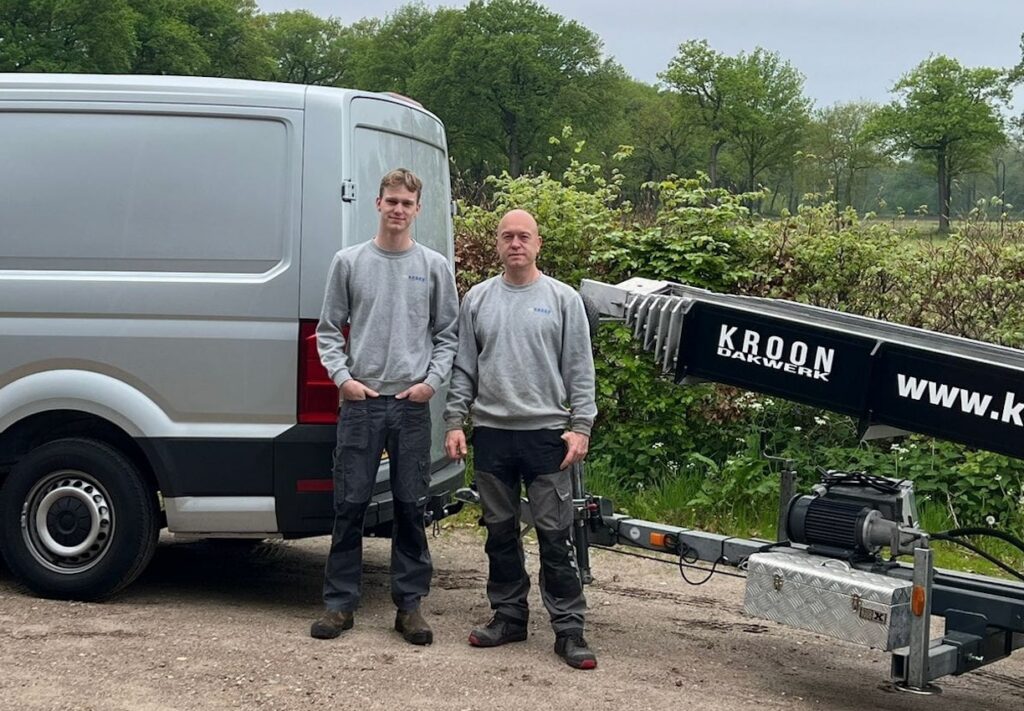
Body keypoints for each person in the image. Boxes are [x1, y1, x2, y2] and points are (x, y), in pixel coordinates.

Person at [443, 209, 598, 670]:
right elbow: (463, 367)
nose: (515, 243)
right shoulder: (477, 299)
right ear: (497, 243)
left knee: (555, 535)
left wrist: (582, 426)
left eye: (523, 236)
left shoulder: (563, 299)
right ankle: (509, 617)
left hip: (547, 437)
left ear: (538, 244)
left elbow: (579, 368)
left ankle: (569, 629)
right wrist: (454, 421)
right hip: (492, 435)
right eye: (507, 236)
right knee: (499, 534)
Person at [310, 168, 459, 645]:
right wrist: (344, 380)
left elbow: (448, 334)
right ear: (377, 204)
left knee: (410, 506)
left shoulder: (433, 266)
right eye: (391, 201)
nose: (398, 210)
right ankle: (339, 605)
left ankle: (409, 606)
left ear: (418, 210)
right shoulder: (349, 262)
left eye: (406, 203)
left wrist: (431, 383)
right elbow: (329, 330)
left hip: (411, 406)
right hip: (363, 404)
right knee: (349, 504)